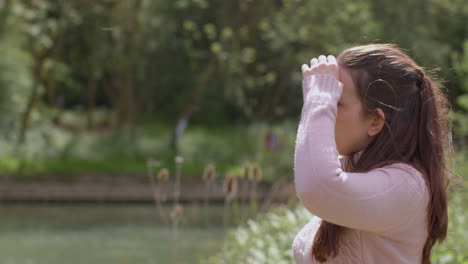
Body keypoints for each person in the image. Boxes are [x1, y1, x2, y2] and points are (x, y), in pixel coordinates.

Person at [292, 44, 452, 263]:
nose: (326, 110)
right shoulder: (352, 167)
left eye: (336, 102)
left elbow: (318, 187)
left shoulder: (405, 187)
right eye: (328, 98)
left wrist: (318, 98)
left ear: (375, 121)